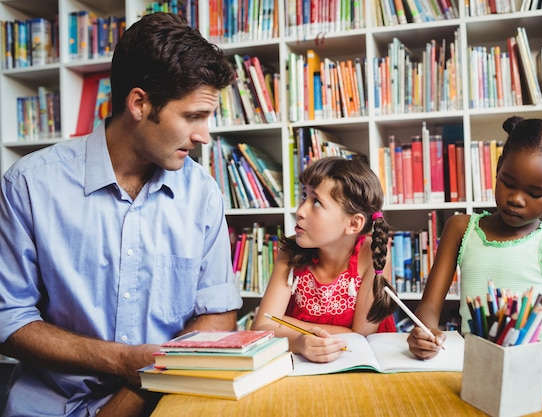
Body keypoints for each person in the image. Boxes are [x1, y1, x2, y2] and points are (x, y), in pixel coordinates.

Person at [0, 13, 242, 417]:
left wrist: (135, 391)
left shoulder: (203, 193)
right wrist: (119, 361)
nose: (204, 136)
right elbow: (8, 320)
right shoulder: (28, 184)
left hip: (162, 403)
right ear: (139, 103)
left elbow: (217, 313)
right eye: (192, 116)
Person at [407, 116, 542, 416]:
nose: (516, 200)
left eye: (534, 194)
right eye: (508, 183)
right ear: (497, 169)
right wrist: (425, 332)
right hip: (477, 376)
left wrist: (518, 367)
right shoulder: (459, 228)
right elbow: (429, 307)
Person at [252, 156, 397, 363]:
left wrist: (284, 324)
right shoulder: (290, 251)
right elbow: (263, 326)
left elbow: (361, 336)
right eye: (304, 196)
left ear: (354, 224)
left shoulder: (373, 254)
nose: (300, 211)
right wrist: (300, 342)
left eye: (316, 202)